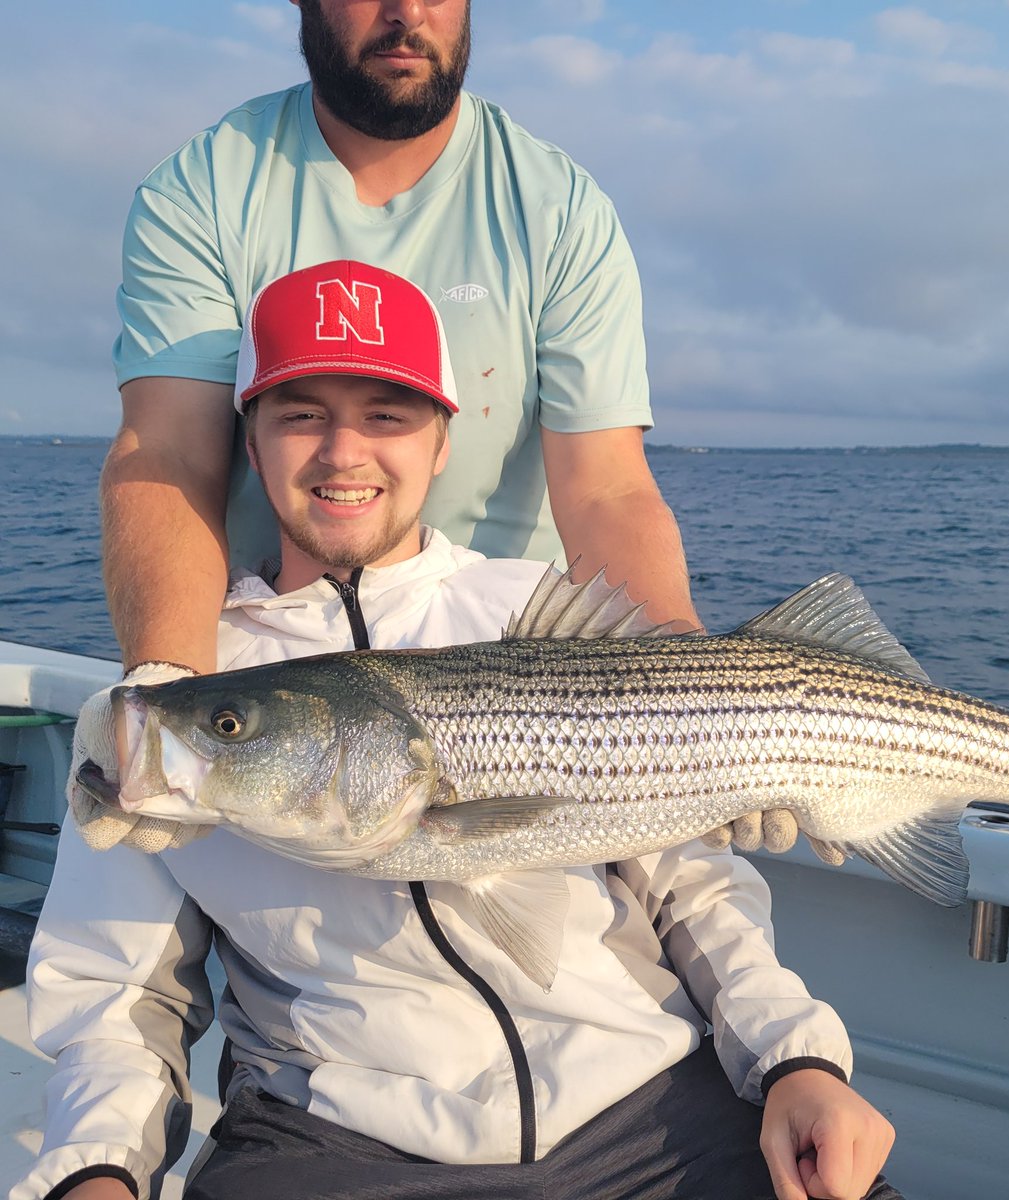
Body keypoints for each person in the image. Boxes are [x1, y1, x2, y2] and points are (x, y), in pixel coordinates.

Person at [17, 263, 899, 1200]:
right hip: (333, 1141)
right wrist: (97, 1171)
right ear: (252, 441)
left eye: (387, 415)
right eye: (301, 414)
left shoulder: (535, 608)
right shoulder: (181, 685)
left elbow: (694, 888)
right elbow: (117, 992)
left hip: (650, 1109)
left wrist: (795, 1060)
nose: (343, 452)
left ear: (442, 442)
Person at [90, 0, 796, 856]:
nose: (408, 12)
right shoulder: (203, 189)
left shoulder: (557, 207)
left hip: (539, 701)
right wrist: (168, 685)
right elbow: (167, 449)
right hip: (281, 668)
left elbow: (606, 486)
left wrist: (700, 705)